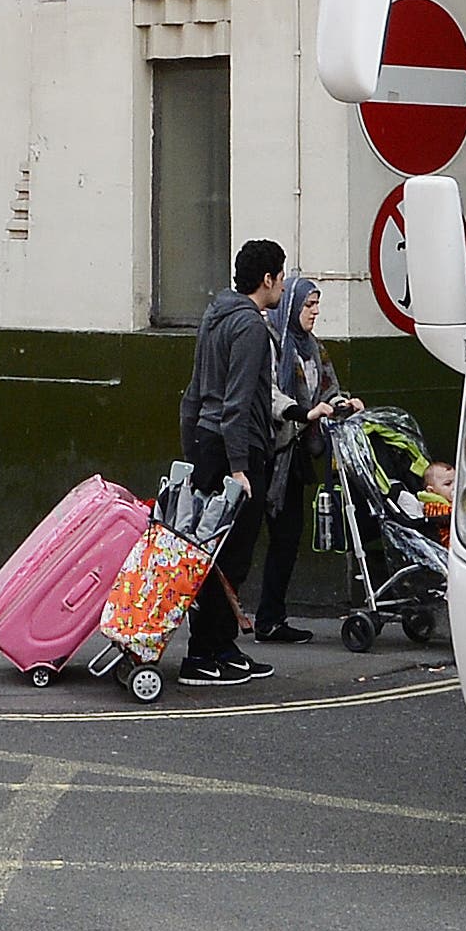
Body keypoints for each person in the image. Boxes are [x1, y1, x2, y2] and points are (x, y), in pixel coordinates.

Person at [177, 240, 287, 684]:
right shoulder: (251, 328)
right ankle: (202, 655)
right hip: (235, 450)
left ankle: (221, 646)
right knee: (230, 558)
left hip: (208, 444)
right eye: (281, 276)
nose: (283, 284)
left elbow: (194, 391)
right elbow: (237, 403)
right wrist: (239, 467)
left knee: (210, 552)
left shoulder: (215, 316)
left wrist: (194, 452)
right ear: (267, 280)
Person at [253, 275, 357, 645]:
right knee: (252, 537)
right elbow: (271, 394)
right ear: (291, 307)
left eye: (316, 304)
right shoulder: (273, 346)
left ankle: (270, 618)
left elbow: (328, 390)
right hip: (269, 451)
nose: (314, 312)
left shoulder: (313, 348)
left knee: (287, 536)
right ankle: (253, 617)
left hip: (296, 453)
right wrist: (302, 413)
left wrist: (344, 404)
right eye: (308, 305)